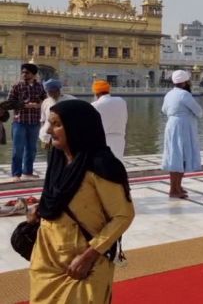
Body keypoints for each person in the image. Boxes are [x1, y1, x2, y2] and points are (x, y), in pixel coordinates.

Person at [29, 99, 134, 303]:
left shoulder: (101, 165)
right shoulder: (58, 158)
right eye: (50, 124)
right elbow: (56, 199)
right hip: (47, 258)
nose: (50, 130)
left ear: (77, 126)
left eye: (57, 124)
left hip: (82, 263)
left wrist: (89, 256)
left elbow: (123, 215)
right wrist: (40, 209)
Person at [161, 70, 203, 199]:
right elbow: (199, 112)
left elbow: (164, 110)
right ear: (185, 82)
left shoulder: (169, 94)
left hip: (171, 125)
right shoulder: (185, 95)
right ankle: (174, 189)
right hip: (183, 127)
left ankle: (177, 187)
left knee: (175, 155)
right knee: (181, 157)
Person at [7, 63, 47, 181]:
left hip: (34, 121)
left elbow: (46, 101)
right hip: (19, 121)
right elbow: (9, 103)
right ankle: (16, 174)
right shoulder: (16, 86)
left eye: (27, 72)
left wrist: (38, 105)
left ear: (33, 74)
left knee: (31, 149)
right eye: (23, 72)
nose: (24, 74)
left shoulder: (40, 87)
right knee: (17, 149)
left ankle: (28, 172)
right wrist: (25, 105)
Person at [91, 80, 128, 160]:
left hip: (103, 140)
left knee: (104, 165)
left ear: (96, 93)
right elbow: (125, 119)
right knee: (118, 162)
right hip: (120, 138)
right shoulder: (121, 101)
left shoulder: (94, 105)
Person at [39, 79, 76, 147]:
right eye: (49, 92)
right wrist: (44, 134)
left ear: (58, 90)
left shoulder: (70, 100)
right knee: (50, 156)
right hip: (47, 137)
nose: (50, 94)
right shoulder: (46, 102)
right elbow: (43, 120)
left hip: (65, 136)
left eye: (52, 91)